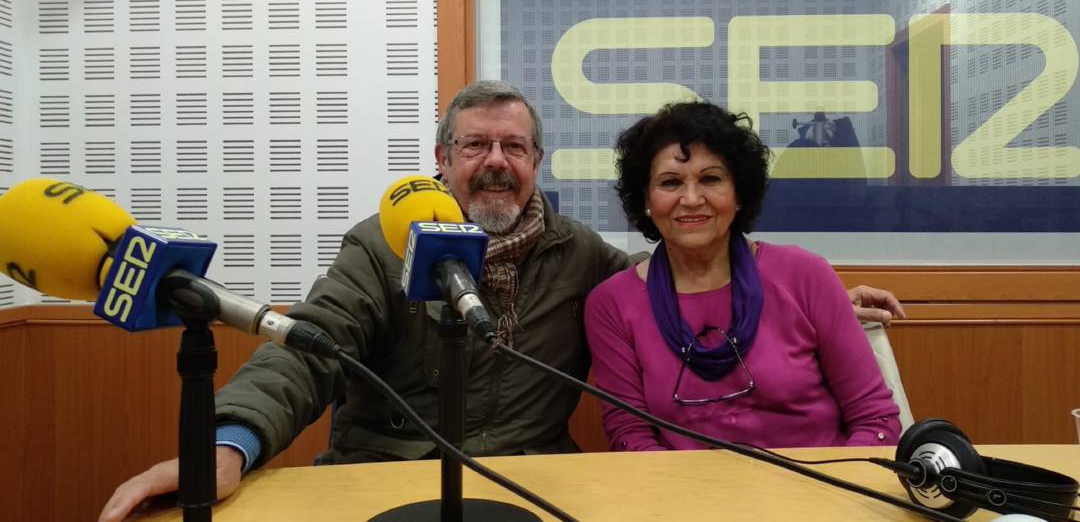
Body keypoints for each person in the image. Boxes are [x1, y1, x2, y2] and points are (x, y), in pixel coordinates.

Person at [100, 82, 905, 521]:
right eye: (475, 146)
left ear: (537, 162)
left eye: (512, 146)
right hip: (384, 481)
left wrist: (816, 294)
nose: (494, 163)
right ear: (441, 160)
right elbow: (309, 347)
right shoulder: (382, 244)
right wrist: (230, 441)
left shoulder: (584, 259)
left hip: (532, 487)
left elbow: (687, 261)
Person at [584, 101, 901, 452]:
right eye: (671, 183)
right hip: (683, 500)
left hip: (820, 492)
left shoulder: (806, 276)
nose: (691, 199)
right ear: (646, 199)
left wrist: (835, 496)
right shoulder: (611, 305)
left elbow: (875, 419)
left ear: (738, 194)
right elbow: (631, 436)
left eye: (711, 179)